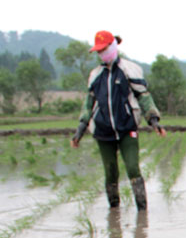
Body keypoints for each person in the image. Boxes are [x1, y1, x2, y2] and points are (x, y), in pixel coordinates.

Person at [70, 30, 166, 211]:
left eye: (104, 49)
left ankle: (142, 212)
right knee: (110, 172)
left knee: (132, 169)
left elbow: (143, 96)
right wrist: (80, 131)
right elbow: (88, 104)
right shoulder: (95, 75)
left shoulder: (129, 70)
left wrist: (154, 120)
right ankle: (114, 213)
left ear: (113, 46)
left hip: (127, 128)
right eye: (98, 51)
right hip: (103, 131)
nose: (101, 54)